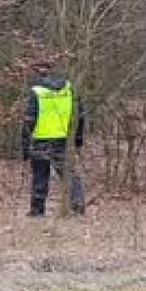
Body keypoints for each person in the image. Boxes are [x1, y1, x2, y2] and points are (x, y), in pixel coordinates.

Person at [22, 60, 86, 217]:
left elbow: (29, 121)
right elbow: (80, 116)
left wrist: (25, 146)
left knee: (40, 176)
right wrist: (78, 139)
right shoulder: (69, 88)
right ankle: (77, 206)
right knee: (69, 174)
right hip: (63, 139)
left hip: (40, 139)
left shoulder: (36, 92)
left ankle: (37, 211)